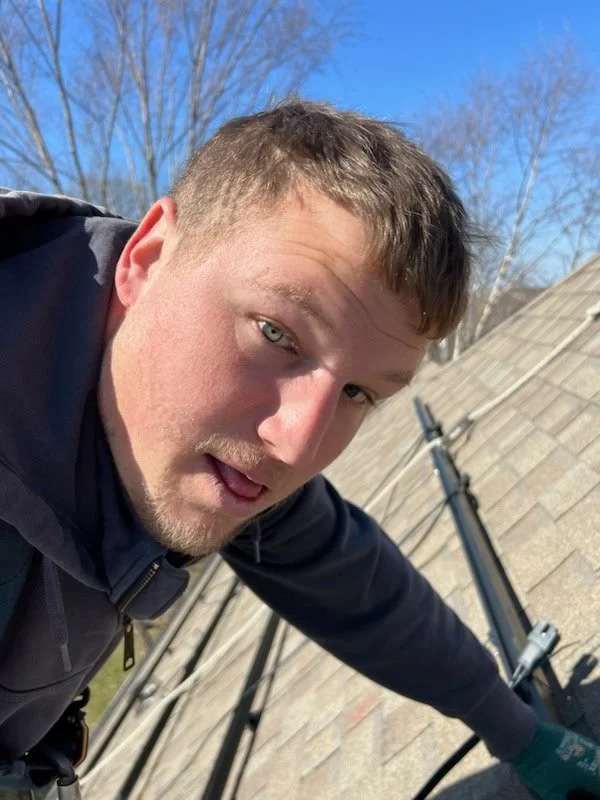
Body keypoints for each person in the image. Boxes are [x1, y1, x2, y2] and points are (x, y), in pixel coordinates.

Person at [0, 100, 597, 799]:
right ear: (149, 257)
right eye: (276, 334)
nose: (298, 445)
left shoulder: (207, 441)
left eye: (359, 393)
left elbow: (358, 587)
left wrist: (521, 734)